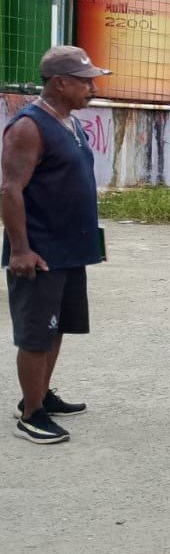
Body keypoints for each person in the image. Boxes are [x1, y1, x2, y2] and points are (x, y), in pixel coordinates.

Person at [3, 46, 107, 444]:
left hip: (70, 250)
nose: (92, 88)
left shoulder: (71, 123)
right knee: (36, 334)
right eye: (85, 81)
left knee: (58, 326)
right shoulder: (28, 126)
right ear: (60, 82)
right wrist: (19, 250)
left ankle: (40, 394)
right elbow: (10, 190)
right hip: (39, 250)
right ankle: (31, 415)